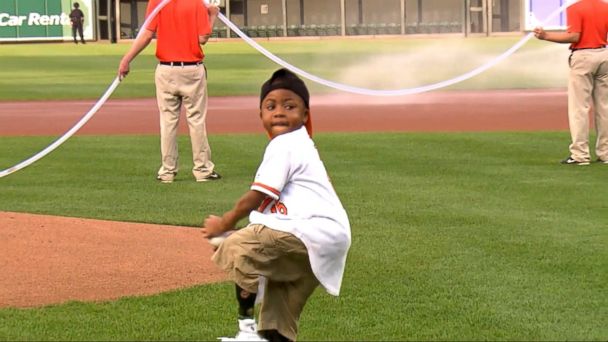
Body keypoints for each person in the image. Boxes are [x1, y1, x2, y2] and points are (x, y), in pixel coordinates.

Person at [201, 69, 351, 342]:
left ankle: (245, 330)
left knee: (238, 247)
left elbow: (255, 197)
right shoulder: (303, 145)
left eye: (289, 105)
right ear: (261, 115)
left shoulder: (286, 144)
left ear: (305, 115)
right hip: (324, 241)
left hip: (309, 231)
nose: (279, 112)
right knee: (277, 320)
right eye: (271, 106)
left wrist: (224, 224)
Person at [118, 0, 221, 183]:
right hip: (192, 69)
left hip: (166, 69)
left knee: (167, 122)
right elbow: (202, 38)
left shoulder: (157, 2)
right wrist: (212, 16)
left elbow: (147, 34)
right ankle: (202, 170)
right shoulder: (196, 2)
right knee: (196, 121)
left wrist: (127, 59)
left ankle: (167, 171)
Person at [533, 0, 608, 165]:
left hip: (583, 57)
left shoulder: (575, 8)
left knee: (579, 108)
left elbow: (574, 36)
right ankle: (605, 153)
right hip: (603, 54)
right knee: (604, 108)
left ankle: (580, 155)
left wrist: (546, 36)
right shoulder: (605, 7)